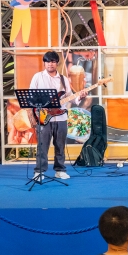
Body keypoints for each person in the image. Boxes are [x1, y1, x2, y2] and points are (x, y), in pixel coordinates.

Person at [30, 51, 87, 181]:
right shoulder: (37, 77)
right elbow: (31, 96)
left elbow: (70, 98)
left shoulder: (63, 79)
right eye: (48, 61)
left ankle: (60, 170)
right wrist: (40, 106)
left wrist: (80, 97)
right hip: (43, 117)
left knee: (60, 145)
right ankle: (39, 172)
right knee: (42, 146)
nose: (50, 64)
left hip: (61, 118)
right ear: (44, 63)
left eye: (53, 61)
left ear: (57, 63)